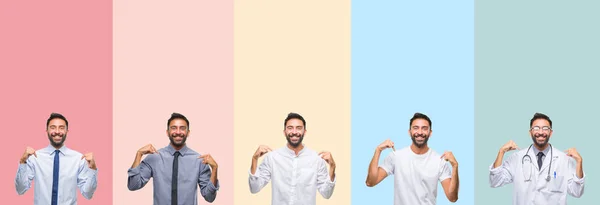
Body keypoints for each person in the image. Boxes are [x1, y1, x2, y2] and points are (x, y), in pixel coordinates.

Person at [489, 112, 584, 204]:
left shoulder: (564, 159)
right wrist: (501, 152)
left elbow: (577, 192)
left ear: (551, 133)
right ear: (530, 132)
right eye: (536, 128)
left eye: (545, 128)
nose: (541, 132)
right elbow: (495, 181)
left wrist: (579, 162)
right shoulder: (517, 158)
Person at [365, 112, 459, 204]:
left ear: (430, 133)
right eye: (415, 128)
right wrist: (378, 150)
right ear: (409, 132)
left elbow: (452, 198)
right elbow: (370, 182)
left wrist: (455, 166)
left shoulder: (439, 161)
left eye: (424, 128)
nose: (420, 132)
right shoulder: (397, 156)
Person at [127, 112, 219, 205]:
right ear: (167, 132)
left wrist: (215, 169)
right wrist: (139, 154)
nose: (178, 132)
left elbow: (209, 197)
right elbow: (133, 185)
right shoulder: (155, 157)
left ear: (188, 132)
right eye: (173, 128)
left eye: (182, 128)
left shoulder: (199, 160)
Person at [249, 112, 336, 205]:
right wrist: (254, 159)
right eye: (290, 128)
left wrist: (332, 167)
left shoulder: (316, 159)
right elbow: (254, 188)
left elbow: (326, 194)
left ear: (304, 132)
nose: (294, 132)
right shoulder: (273, 158)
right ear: (284, 132)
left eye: (299, 128)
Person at [15, 113, 98, 205]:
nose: (57, 131)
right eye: (53, 127)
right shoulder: (34, 157)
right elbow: (20, 190)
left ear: (67, 131)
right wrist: (22, 162)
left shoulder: (78, 159)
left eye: (61, 128)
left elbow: (88, 194)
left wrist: (92, 169)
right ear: (47, 131)